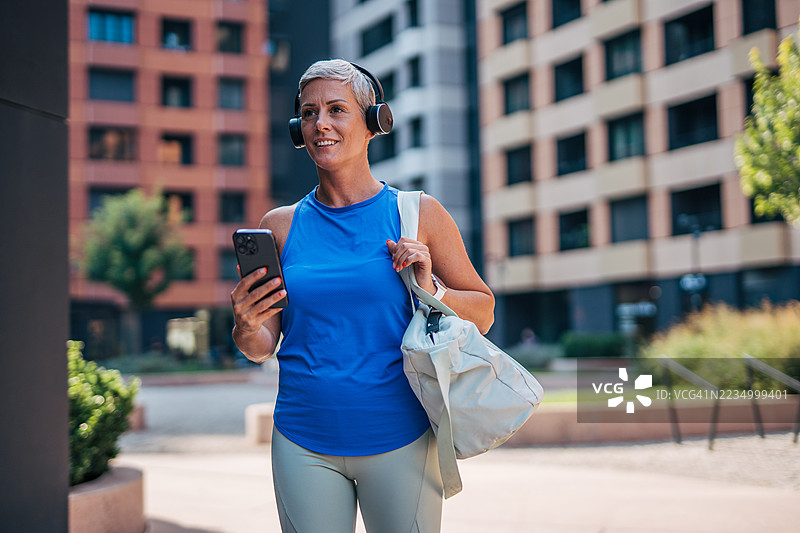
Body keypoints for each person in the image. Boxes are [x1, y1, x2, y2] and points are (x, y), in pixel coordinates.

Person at [230, 59, 494, 533]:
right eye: (308, 113)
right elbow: (260, 347)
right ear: (297, 130)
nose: (320, 124)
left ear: (375, 122)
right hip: (302, 440)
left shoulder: (419, 214)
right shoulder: (279, 226)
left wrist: (431, 288)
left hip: (402, 437)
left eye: (336, 109)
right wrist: (245, 324)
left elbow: (484, 311)